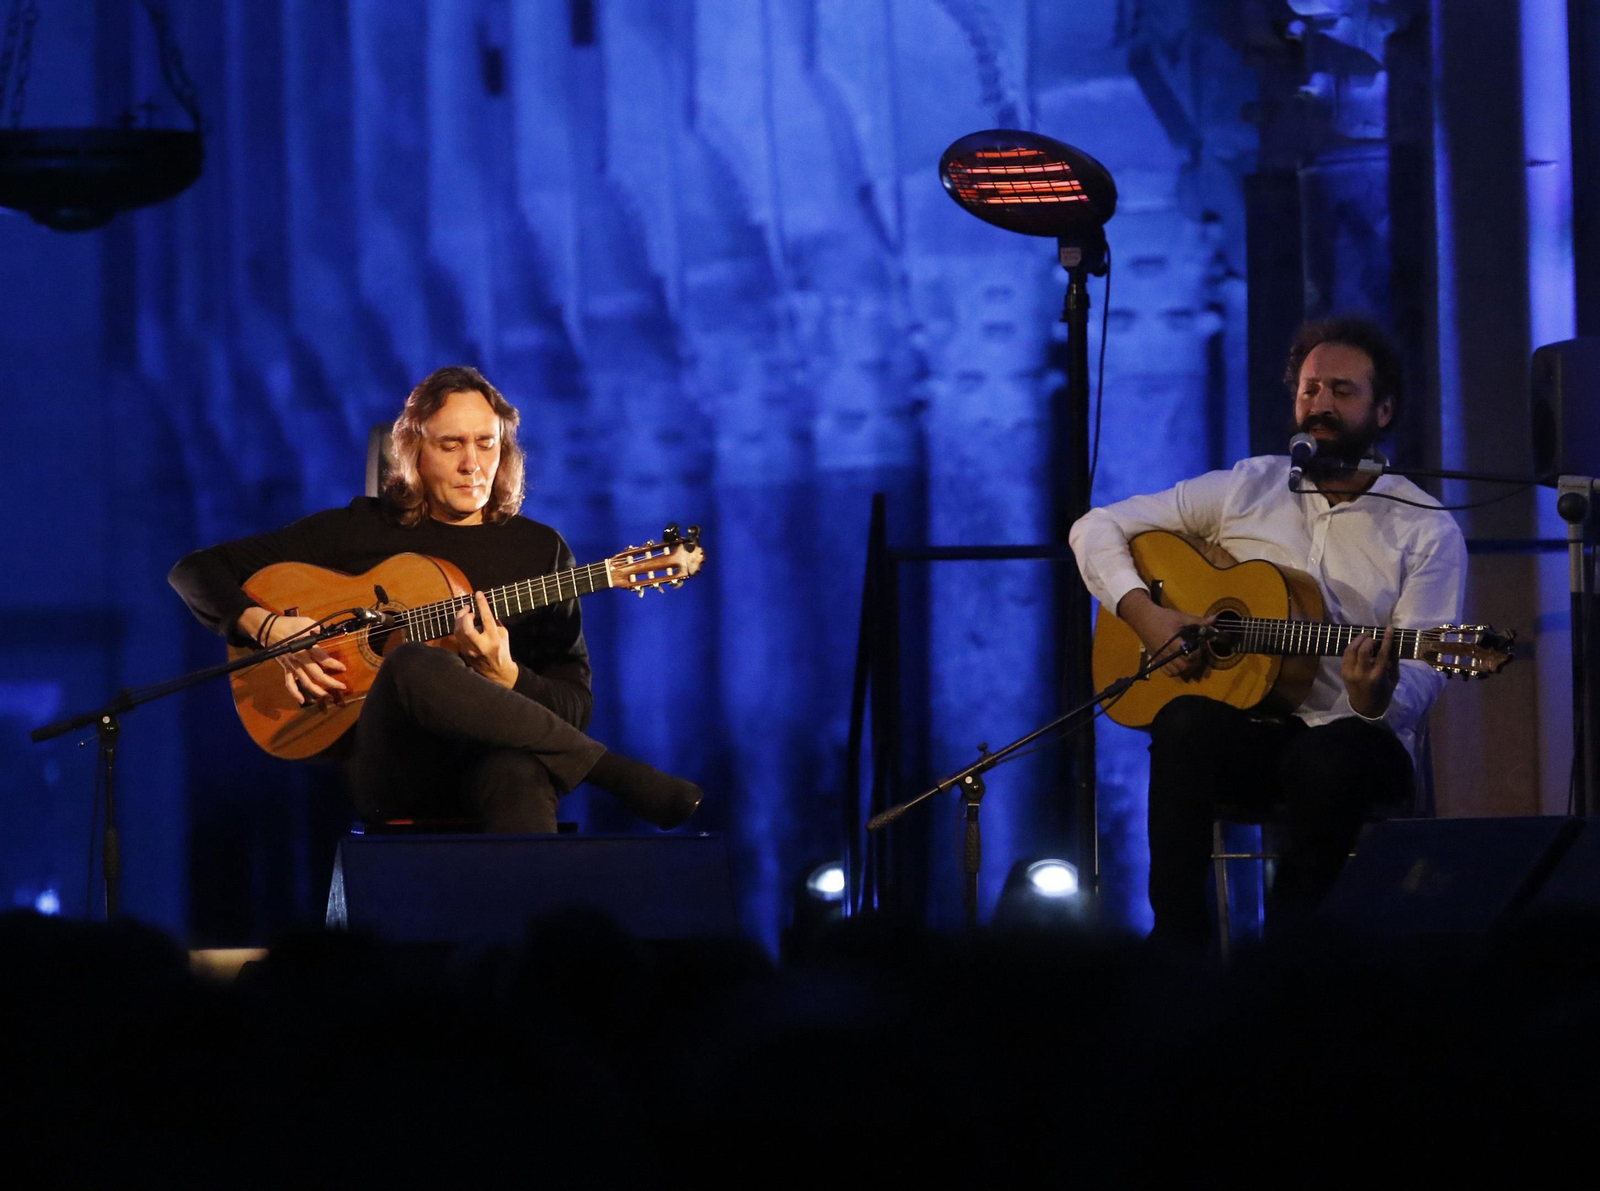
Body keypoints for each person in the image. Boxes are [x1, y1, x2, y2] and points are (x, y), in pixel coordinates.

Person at [170, 365, 702, 834]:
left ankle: (529, 941)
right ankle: (615, 774)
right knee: (411, 661)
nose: (474, 464)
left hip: (495, 759)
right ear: (413, 452)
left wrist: (509, 676)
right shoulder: (358, 530)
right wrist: (268, 628)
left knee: (519, 773)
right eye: (451, 445)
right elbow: (194, 570)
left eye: (487, 443)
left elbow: (574, 710)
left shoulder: (539, 551)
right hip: (393, 769)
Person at [1068, 317, 1467, 940]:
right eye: (1309, 390)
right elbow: (1095, 527)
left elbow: (1425, 670)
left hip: (1358, 742)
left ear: (1383, 410)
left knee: (1327, 757)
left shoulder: (1426, 526)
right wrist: (1146, 615)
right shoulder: (1247, 487)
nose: (1319, 406)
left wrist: (1375, 695)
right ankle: (1177, 947)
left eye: (1342, 391)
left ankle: (1287, 959)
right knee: (1183, 723)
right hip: (1252, 730)